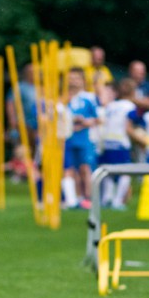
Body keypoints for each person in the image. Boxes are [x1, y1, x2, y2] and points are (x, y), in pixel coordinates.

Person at [98, 78, 145, 210]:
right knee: (125, 173)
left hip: (107, 142)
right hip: (120, 143)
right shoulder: (129, 107)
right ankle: (117, 201)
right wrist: (142, 140)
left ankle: (106, 199)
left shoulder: (112, 105)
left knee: (109, 172)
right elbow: (128, 127)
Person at [61, 67, 98, 209]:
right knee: (70, 168)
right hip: (68, 138)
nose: (73, 81)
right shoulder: (64, 98)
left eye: (76, 78)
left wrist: (84, 122)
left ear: (82, 80)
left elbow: (97, 118)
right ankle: (74, 199)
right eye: (70, 78)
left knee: (85, 168)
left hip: (84, 138)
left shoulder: (88, 98)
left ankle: (88, 197)